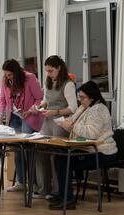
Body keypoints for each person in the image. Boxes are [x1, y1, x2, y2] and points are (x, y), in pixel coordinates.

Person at [49, 81, 117, 210]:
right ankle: (63, 195)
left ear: (92, 97)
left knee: (64, 160)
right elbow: (77, 129)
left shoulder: (99, 109)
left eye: (83, 97)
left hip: (102, 151)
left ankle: (68, 199)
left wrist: (72, 125)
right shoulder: (83, 108)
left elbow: (91, 133)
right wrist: (66, 125)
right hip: (87, 148)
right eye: (79, 97)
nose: (81, 100)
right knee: (59, 157)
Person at [30, 55, 78, 199]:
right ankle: (43, 189)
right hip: (47, 121)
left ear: (59, 68)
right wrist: (38, 107)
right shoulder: (49, 82)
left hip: (61, 122)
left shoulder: (68, 84)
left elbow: (73, 108)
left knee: (56, 157)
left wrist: (56, 111)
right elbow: (46, 100)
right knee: (40, 152)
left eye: (51, 71)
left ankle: (58, 191)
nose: (49, 74)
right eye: (47, 71)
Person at [0, 59, 44, 192]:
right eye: (5, 75)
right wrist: (0, 114)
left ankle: (33, 183)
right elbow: (2, 100)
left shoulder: (30, 78)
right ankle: (21, 182)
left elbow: (40, 98)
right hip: (14, 118)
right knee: (18, 151)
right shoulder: (5, 80)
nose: (7, 77)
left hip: (29, 117)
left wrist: (32, 109)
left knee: (28, 151)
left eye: (10, 75)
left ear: (16, 72)